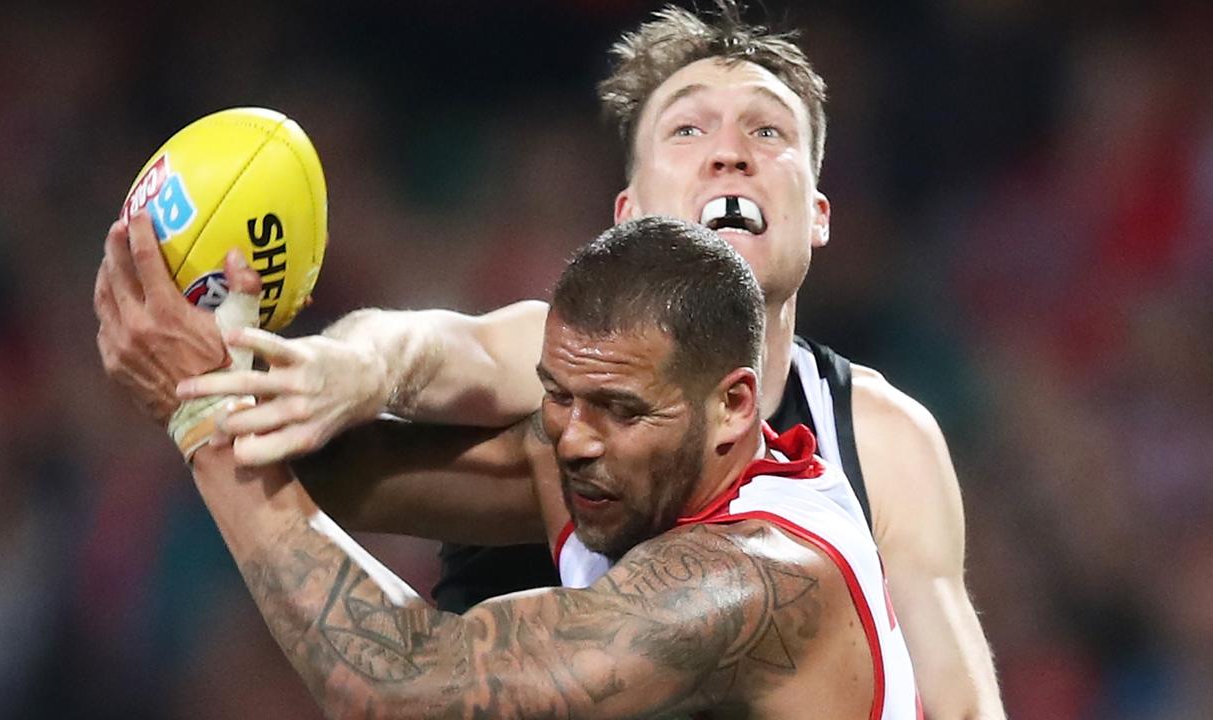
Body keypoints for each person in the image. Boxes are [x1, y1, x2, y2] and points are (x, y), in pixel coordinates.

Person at [98, 4, 1004, 718]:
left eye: (767, 133)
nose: (729, 150)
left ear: (817, 212)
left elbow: (400, 686)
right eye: (687, 131)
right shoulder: (578, 394)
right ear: (627, 210)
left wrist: (207, 415)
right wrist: (284, 373)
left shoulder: (782, 549)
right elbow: (419, 351)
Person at [99, 213, 920, 718]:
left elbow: (402, 688)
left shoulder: (752, 582)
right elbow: (313, 474)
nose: (574, 439)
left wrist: (203, 413)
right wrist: (225, 347)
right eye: (558, 395)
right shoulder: (610, 461)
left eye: (620, 410)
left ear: (735, 407)